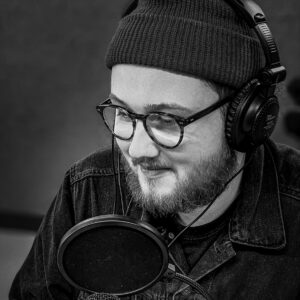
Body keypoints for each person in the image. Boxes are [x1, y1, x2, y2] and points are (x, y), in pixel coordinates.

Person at [9, 0, 300, 299]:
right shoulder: (86, 189)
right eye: (123, 113)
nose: (137, 150)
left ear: (245, 121)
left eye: (166, 120)